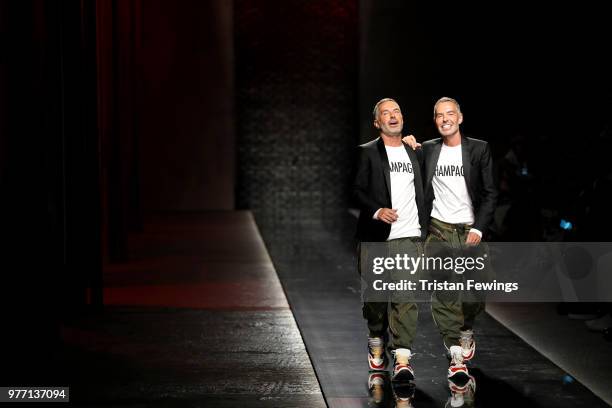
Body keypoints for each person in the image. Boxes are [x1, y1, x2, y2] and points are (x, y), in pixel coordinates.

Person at [403, 97, 497, 382]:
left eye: (450, 114)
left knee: (477, 292)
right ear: (435, 120)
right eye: (439, 115)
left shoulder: (479, 149)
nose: (445, 119)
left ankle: (466, 327)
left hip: (470, 231)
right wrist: (404, 144)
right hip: (439, 230)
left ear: (460, 117)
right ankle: (455, 352)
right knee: (444, 293)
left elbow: (491, 193)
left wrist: (479, 229)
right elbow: (400, 167)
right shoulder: (428, 149)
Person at [353, 98, 428, 383]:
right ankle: (375, 336)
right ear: (377, 123)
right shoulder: (367, 152)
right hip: (375, 238)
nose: (392, 116)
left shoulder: (415, 152)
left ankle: (402, 357)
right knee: (375, 298)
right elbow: (355, 190)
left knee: (405, 298)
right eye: (386, 113)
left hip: (408, 236)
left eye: (397, 110)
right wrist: (377, 210)